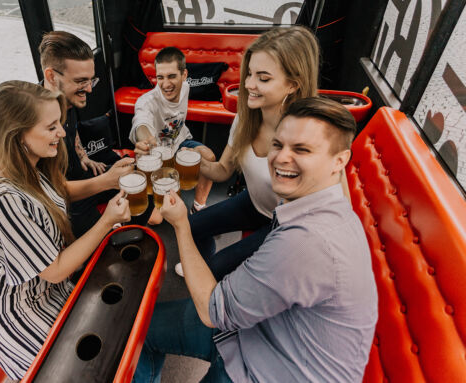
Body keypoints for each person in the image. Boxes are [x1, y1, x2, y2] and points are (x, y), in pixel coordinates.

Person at [134, 97, 378, 383]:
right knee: (143, 329)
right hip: (260, 332)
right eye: (278, 145)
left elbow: (213, 311)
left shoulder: (305, 243)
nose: (281, 158)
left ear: (340, 161)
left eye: (302, 149)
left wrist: (181, 226)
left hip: (264, 371)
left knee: (153, 321)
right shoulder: (322, 211)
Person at [0, 81, 131, 380]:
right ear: (18, 134)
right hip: (11, 307)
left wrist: (108, 180)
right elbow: (54, 270)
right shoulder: (4, 198)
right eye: (52, 126)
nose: (63, 133)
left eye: (60, 123)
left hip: (46, 288)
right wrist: (106, 222)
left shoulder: (28, 163)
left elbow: (56, 191)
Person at [176, 26, 319, 279]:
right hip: (255, 204)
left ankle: (211, 285)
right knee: (188, 227)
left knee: (216, 271)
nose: (249, 84)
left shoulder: (307, 140)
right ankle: (205, 273)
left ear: (292, 85)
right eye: (250, 73)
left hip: (286, 225)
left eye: (263, 78)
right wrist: (182, 159)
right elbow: (221, 171)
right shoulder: (246, 118)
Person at [39, 31, 134, 236]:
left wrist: (84, 156)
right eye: (81, 81)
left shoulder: (65, 100)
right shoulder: (33, 122)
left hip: (82, 177)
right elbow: (51, 192)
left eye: (91, 80)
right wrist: (107, 181)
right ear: (51, 76)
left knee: (139, 187)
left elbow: (72, 132)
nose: (90, 89)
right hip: (64, 202)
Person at [129, 47, 216, 224]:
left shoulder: (185, 88)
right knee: (157, 219)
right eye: (160, 77)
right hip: (157, 153)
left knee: (210, 157)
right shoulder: (147, 102)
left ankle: (198, 206)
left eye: (171, 76)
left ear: (184, 75)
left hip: (181, 141)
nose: (166, 84)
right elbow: (141, 122)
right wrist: (146, 139)